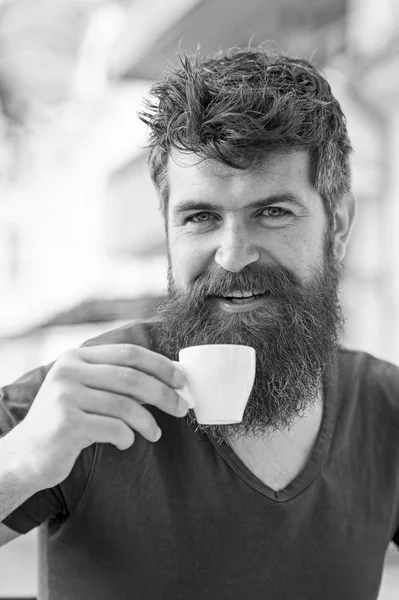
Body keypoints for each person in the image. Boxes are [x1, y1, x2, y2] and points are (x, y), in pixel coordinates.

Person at [0, 46, 398, 600]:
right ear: (167, 231)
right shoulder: (81, 394)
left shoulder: (384, 406)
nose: (232, 254)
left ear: (338, 226)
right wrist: (18, 463)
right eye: (201, 217)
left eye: (273, 211)